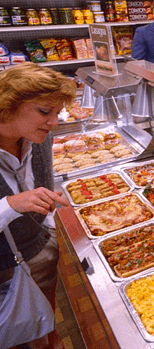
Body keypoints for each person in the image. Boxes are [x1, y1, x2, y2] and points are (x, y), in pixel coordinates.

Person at [0, 63, 76, 349]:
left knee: (44, 326)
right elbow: (17, 202)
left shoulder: (41, 138)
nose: (54, 121)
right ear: (8, 105)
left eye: (57, 113)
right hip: (4, 268)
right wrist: (10, 204)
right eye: (45, 112)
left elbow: (44, 181)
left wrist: (48, 234)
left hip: (40, 249)